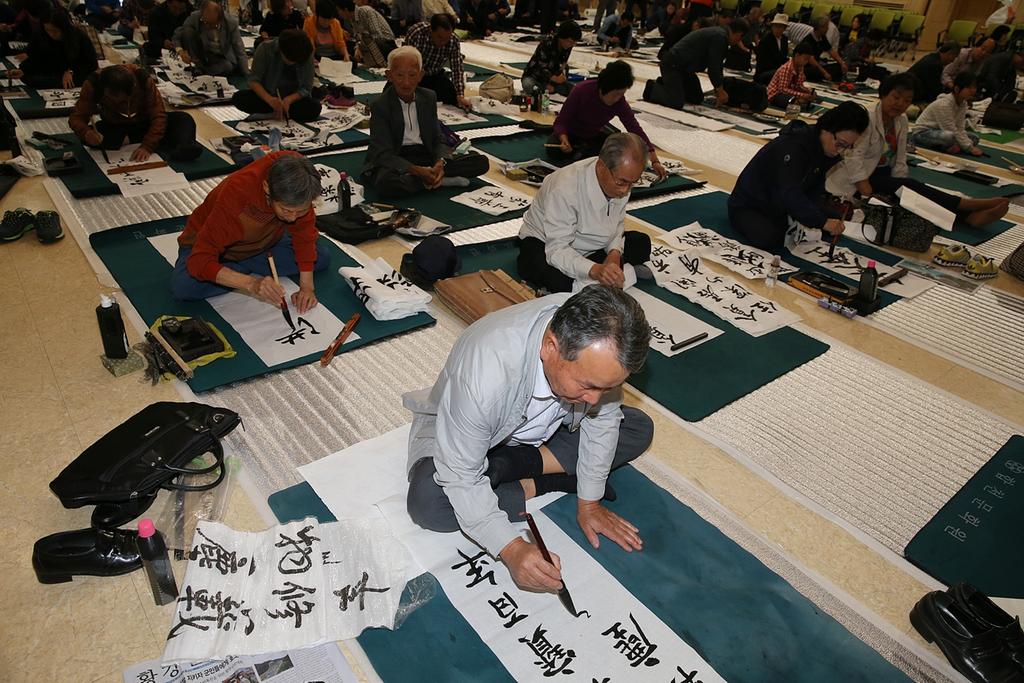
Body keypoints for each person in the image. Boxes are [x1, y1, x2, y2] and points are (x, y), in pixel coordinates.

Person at [404, 284, 654, 592]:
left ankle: (511, 466)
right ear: (550, 346)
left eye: (608, 387)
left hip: (544, 432)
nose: (595, 399)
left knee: (638, 427)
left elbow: (602, 422)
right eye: (588, 385)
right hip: (480, 431)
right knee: (428, 502)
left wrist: (589, 502)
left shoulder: (595, 342)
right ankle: (543, 480)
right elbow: (460, 477)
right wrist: (511, 548)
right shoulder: (485, 373)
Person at [826, 73, 1008, 229]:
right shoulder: (866, 116)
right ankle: (965, 207)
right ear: (883, 94)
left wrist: (902, 181)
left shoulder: (901, 120)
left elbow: (900, 156)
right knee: (908, 190)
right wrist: (865, 187)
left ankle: (965, 217)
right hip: (860, 178)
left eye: (907, 100)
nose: (900, 104)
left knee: (908, 195)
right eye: (896, 97)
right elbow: (853, 157)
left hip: (883, 174)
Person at [171, 151, 330, 308]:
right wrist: (251, 283)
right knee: (185, 287)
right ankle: (238, 269)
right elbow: (199, 260)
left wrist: (307, 288)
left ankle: (236, 269)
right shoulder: (236, 196)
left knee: (321, 257)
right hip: (217, 247)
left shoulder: (299, 174)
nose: (293, 218)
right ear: (267, 188)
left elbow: (304, 234)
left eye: (301, 211)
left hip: (263, 242)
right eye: (286, 210)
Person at [518, 133, 653, 293]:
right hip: (547, 243)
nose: (625, 190)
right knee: (558, 281)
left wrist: (614, 253)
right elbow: (557, 249)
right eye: (621, 182)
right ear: (601, 166)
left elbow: (617, 222)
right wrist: (596, 270)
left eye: (632, 183)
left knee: (642, 243)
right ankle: (622, 272)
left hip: (593, 243)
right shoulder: (565, 187)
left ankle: (606, 273)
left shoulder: (623, 179)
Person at [728, 101, 869, 249]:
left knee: (833, 220)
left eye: (847, 147)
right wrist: (821, 222)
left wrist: (820, 218)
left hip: (781, 204)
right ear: (827, 129)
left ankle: (795, 220)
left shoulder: (826, 148)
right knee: (770, 238)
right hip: (751, 204)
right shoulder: (794, 146)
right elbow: (789, 193)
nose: (841, 151)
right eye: (840, 144)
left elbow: (814, 189)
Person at [361, 46, 489, 198]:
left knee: (481, 162)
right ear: (389, 75)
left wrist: (440, 162)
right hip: (397, 157)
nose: (406, 82)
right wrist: (416, 170)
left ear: (421, 75)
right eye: (400, 75)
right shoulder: (380, 105)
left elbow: (437, 138)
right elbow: (382, 152)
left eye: (412, 75)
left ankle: (430, 177)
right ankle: (432, 180)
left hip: (425, 153)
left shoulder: (428, 97)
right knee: (386, 183)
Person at [549, 61, 667, 179]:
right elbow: (561, 122)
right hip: (571, 134)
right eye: (616, 94)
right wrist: (563, 139)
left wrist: (654, 160)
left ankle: (582, 152)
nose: (619, 98)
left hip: (592, 136)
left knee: (617, 148)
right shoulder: (582, 90)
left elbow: (635, 129)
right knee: (554, 149)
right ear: (606, 88)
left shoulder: (620, 102)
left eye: (622, 94)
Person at [68, 64, 202, 163]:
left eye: (127, 100)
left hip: (144, 123)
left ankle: (185, 146)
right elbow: (77, 117)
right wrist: (86, 133)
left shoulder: (143, 79)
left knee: (183, 119)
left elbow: (159, 115)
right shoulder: (93, 84)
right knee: (90, 136)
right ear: (105, 91)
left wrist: (147, 146)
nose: (124, 104)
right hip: (115, 126)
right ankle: (161, 141)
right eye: (118, 101)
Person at [644, 17, 749, 108]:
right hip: (673, 65)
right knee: (675, 101)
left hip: (684, 69)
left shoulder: (720, 34)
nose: (738, 42)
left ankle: (667, 83)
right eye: (740, 38)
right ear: (739, 34)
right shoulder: (719, 37)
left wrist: (718, 89)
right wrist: (720, 90)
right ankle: (652, 88)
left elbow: (716, 65)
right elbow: (714, 67)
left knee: (696, 97)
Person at [232, 29, 322, 123]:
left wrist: (289, 99)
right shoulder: (265, 49)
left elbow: (306, 88)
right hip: (268, 96)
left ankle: (271, 114)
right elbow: (254, 81)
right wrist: (270, 100)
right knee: (239, 98)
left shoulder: (305, 53)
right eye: (290, 59)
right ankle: (279, 113)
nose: (293, 63)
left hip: (293, 100)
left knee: (315, 107)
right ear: (281, 50)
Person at [3, 9, 97, 89]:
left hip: (74, 73)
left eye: (55, 31)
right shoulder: (42, 35)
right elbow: (36, 58)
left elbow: (91, 64)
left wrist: (71, 71)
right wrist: (23, 70)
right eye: (48, 30)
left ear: (63, 28)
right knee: (28, 78)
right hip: (51, 72)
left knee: (77, 80)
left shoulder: (78, 36)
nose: (51, 34)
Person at [403, 14, 471, 109]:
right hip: (412, 75)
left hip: (434, 75)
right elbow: (406, 61)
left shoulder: (453, 41)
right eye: (439, 37)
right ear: (431, 30)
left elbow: (457, 69)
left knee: (451, 95)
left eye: (446, 39)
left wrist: (460, 95)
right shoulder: (417, 33)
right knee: (396, 95)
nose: (443, 42)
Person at [911, 71, 981, 156]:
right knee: (949, 137)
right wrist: (969, 148)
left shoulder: (963, 104)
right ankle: (950, 146)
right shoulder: (944, 104)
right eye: (969, 87)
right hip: (923, 133)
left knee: (974, 138)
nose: (973, 90)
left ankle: (951, 146)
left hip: (941, 130)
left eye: (974, 87)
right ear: (957, 89)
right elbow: (950, 128)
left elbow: (960, 128)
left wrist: (968, 145)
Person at [173, 0, 249, 77]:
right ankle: (199, 67)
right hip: (202, 53)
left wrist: (246, 73)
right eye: (205, 23)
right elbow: (178, 34)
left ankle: (202, 71)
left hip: (221, 57)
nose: (208, 27)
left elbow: (239, 49)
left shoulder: (230, 22)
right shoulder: (196, 17)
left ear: (220, 19)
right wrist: (180, 51)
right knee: (187, 32)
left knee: (227, 66)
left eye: (212, 24)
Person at [521, 20, 580, 98]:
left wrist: (563, 75)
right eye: (570, 42)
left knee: (575, 90)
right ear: (561, 37)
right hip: (535, 77)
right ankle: (549, 89)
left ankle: (551, 89)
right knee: (528, 84)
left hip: (553, 81)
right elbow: (539, 68)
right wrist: (552, 78)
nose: (572, 45)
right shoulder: (547, 43)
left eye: (574, 43)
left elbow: (563, 64)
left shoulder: (567, 46)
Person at [787, 16, 847, 82]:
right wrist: (824, 72)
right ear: (820, 28)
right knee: (817, 71)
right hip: (806, 67)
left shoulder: (822, 38)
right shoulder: (808, 40)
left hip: (817, 64)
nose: (827, 29)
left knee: (838, 67)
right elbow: (811, 60)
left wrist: (841, 63)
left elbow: (830, 50)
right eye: (826, 27)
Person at [338, 0, 396, 68]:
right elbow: (358, 37)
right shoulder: (352, 18)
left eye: (339, 10)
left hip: (385, 43)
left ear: (346, 10)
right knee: (352, 47)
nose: (338, 14)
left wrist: (361, 47)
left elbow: (377, 35)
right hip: (370, 44)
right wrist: (358, 48)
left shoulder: (366, 11)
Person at [767, 42, 816, 110]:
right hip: (775, 95)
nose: (806, 62)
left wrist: (808, 91)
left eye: (807, 60)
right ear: (797, 55)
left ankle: (800, 103)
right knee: (790, 100)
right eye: (805, 59)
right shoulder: (786, 68)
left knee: (809, 96)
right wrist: (803, 95)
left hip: (789, 93)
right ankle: (799, 103)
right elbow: (783, 90)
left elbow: (798, 86)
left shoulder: (800, 67)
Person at [755, 12, 790, 84]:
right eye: (776, 26)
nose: (778, 29)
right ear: (772, 26)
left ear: (784, 28)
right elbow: (762, 60)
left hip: (777, 70)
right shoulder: (766, 40)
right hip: (764, 72)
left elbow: (783, 58)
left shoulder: (784, 39)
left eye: (780, 26)